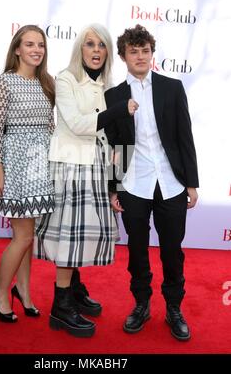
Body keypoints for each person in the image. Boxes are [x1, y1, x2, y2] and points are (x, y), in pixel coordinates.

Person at [35, 23, 137, 337]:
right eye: (90, 44)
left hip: (96, 167)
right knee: (69, 236)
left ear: (108, 52)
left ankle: (74, 289)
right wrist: (119, 109)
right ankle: (60, 308)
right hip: (70, 166)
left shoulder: (108, 84)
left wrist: (116, 182)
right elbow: (79, 125)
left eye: (101, 45)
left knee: (80, 234)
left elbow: (116, 138)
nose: (95, 50)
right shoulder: (65, 79)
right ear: (80, 48)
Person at [104, 24, 199, 341]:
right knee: (137, 249)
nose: (141, 56)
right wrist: (115, 186)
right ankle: (141, 304)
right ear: (123, 56)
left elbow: (185, 137)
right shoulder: (114, 96)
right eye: (134, 51)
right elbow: (117, 146)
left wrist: (191, 182)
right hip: (134, 184)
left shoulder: (172, 88)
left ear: (152, 54)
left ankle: (174, 307)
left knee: (173, 250)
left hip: (171, 182)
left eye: (145, 51)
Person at [0, 25, 55, 323]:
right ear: (17, 49)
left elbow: (50, 126)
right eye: (30, 44)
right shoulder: (5, 83)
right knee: (22, 236)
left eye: (41, 45)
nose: (36, 49)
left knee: (28, 235)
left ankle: (23, 291)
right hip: (14, 163)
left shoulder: (46, 82)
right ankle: (0, 291)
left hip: (39, 162)